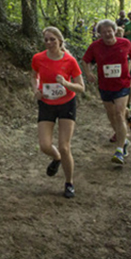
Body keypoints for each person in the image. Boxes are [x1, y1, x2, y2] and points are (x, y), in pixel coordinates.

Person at [31, 27, 85, 199]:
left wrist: (66, 84)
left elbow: (81, 87)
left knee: (64, 146)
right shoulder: (38, 58)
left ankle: (69, 183)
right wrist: (35, 90)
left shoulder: (70, 61)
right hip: (46, 103)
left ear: (60, 41)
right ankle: (57, 158)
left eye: (52, 39)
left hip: (66, 103)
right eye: (46, 39)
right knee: (45, 145)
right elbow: (34, 76)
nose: (49, 43)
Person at [81, 20, 131, 165]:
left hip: (123, 84)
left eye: (109, 31)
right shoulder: (95, 46)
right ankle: (124, 137)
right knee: (111, 114)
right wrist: (88, 73)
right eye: (103, 32)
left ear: (114, 31)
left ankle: (119, 150)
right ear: (99, 34)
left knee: (118, 113)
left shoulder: (125, 43)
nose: (107, 34)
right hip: (105, 85)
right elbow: (85, 60)